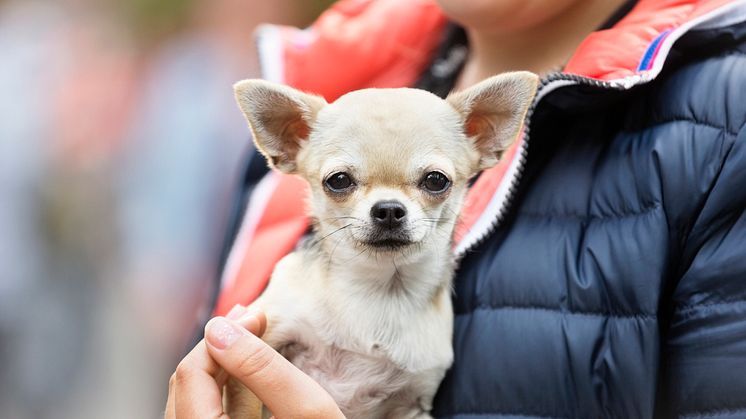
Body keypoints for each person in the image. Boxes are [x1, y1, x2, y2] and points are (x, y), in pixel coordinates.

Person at [166, 0, 746, 417]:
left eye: (433, 182)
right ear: (289, 144)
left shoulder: (722, 123)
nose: (388, 208)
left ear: (487, 134)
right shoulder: (322, 72)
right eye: (343, 182)